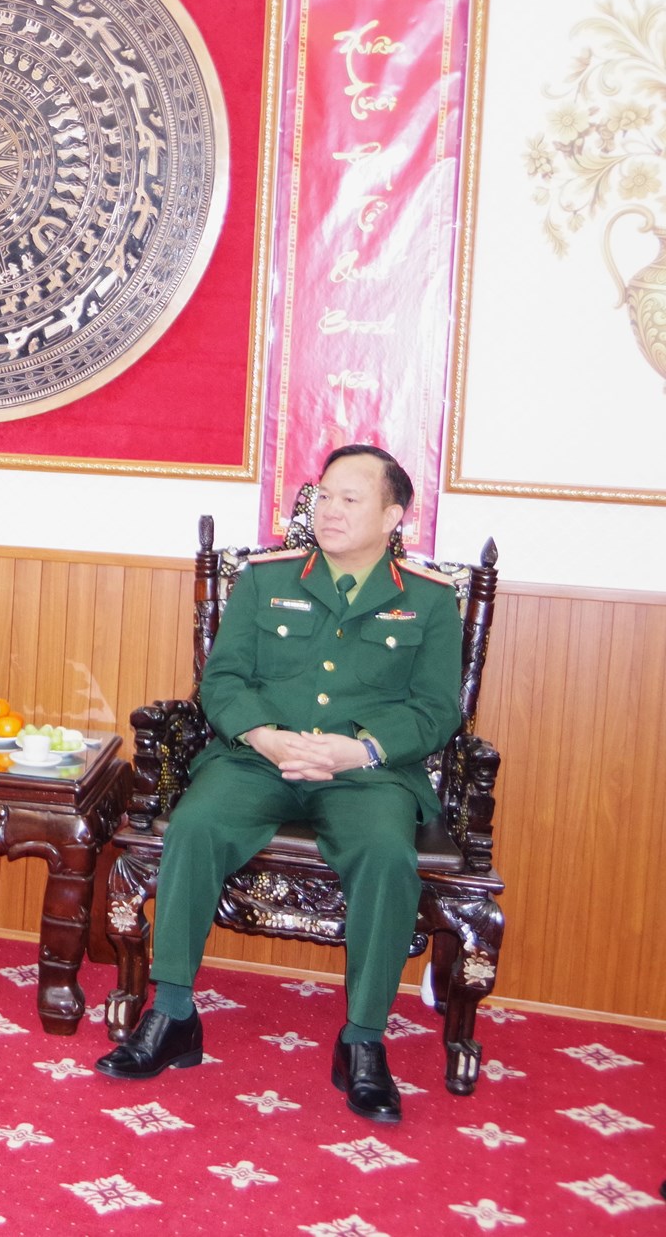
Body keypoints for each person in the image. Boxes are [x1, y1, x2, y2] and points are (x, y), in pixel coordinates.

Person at [95, 444, 464, 1122]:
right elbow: (222, 680)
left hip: (365, 773)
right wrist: (263, 735)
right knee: (196, 824)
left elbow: (437, 710)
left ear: (393, 516)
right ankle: (172, 1013)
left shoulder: (430, 600)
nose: (330, 509)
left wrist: (361, 749)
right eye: (323, 495)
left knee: (387, 853)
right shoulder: (267, 580)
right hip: (258, 759)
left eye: (350, 498)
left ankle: (362, 1040)